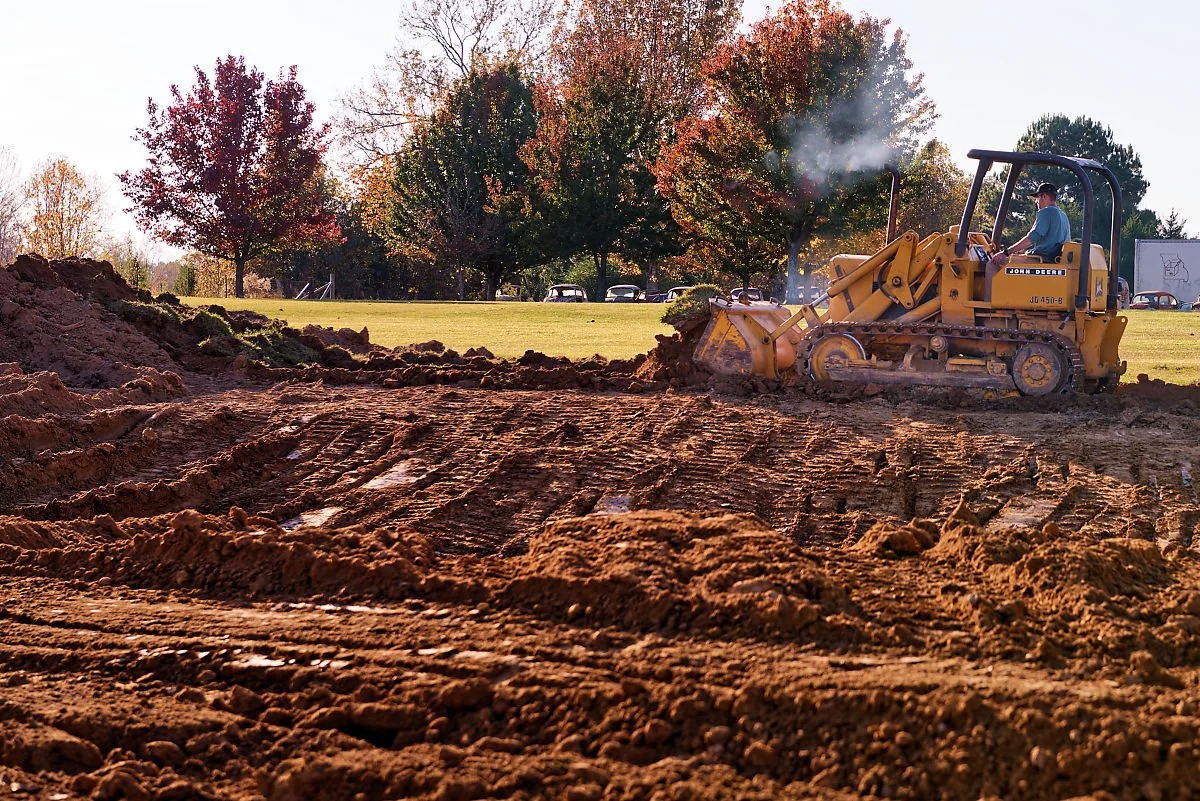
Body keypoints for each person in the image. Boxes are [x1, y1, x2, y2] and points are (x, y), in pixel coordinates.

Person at [984, 183, 1072, 301]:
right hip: (1054, 260)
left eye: (1037, 197)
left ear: (1044, 196)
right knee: (1016, 259)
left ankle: (988, 305)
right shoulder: (1063, 215)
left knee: (993, 263)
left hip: (1042, 260)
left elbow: (1032, 238)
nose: (1036, 202)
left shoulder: (1047, 212)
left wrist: (1006, 252)